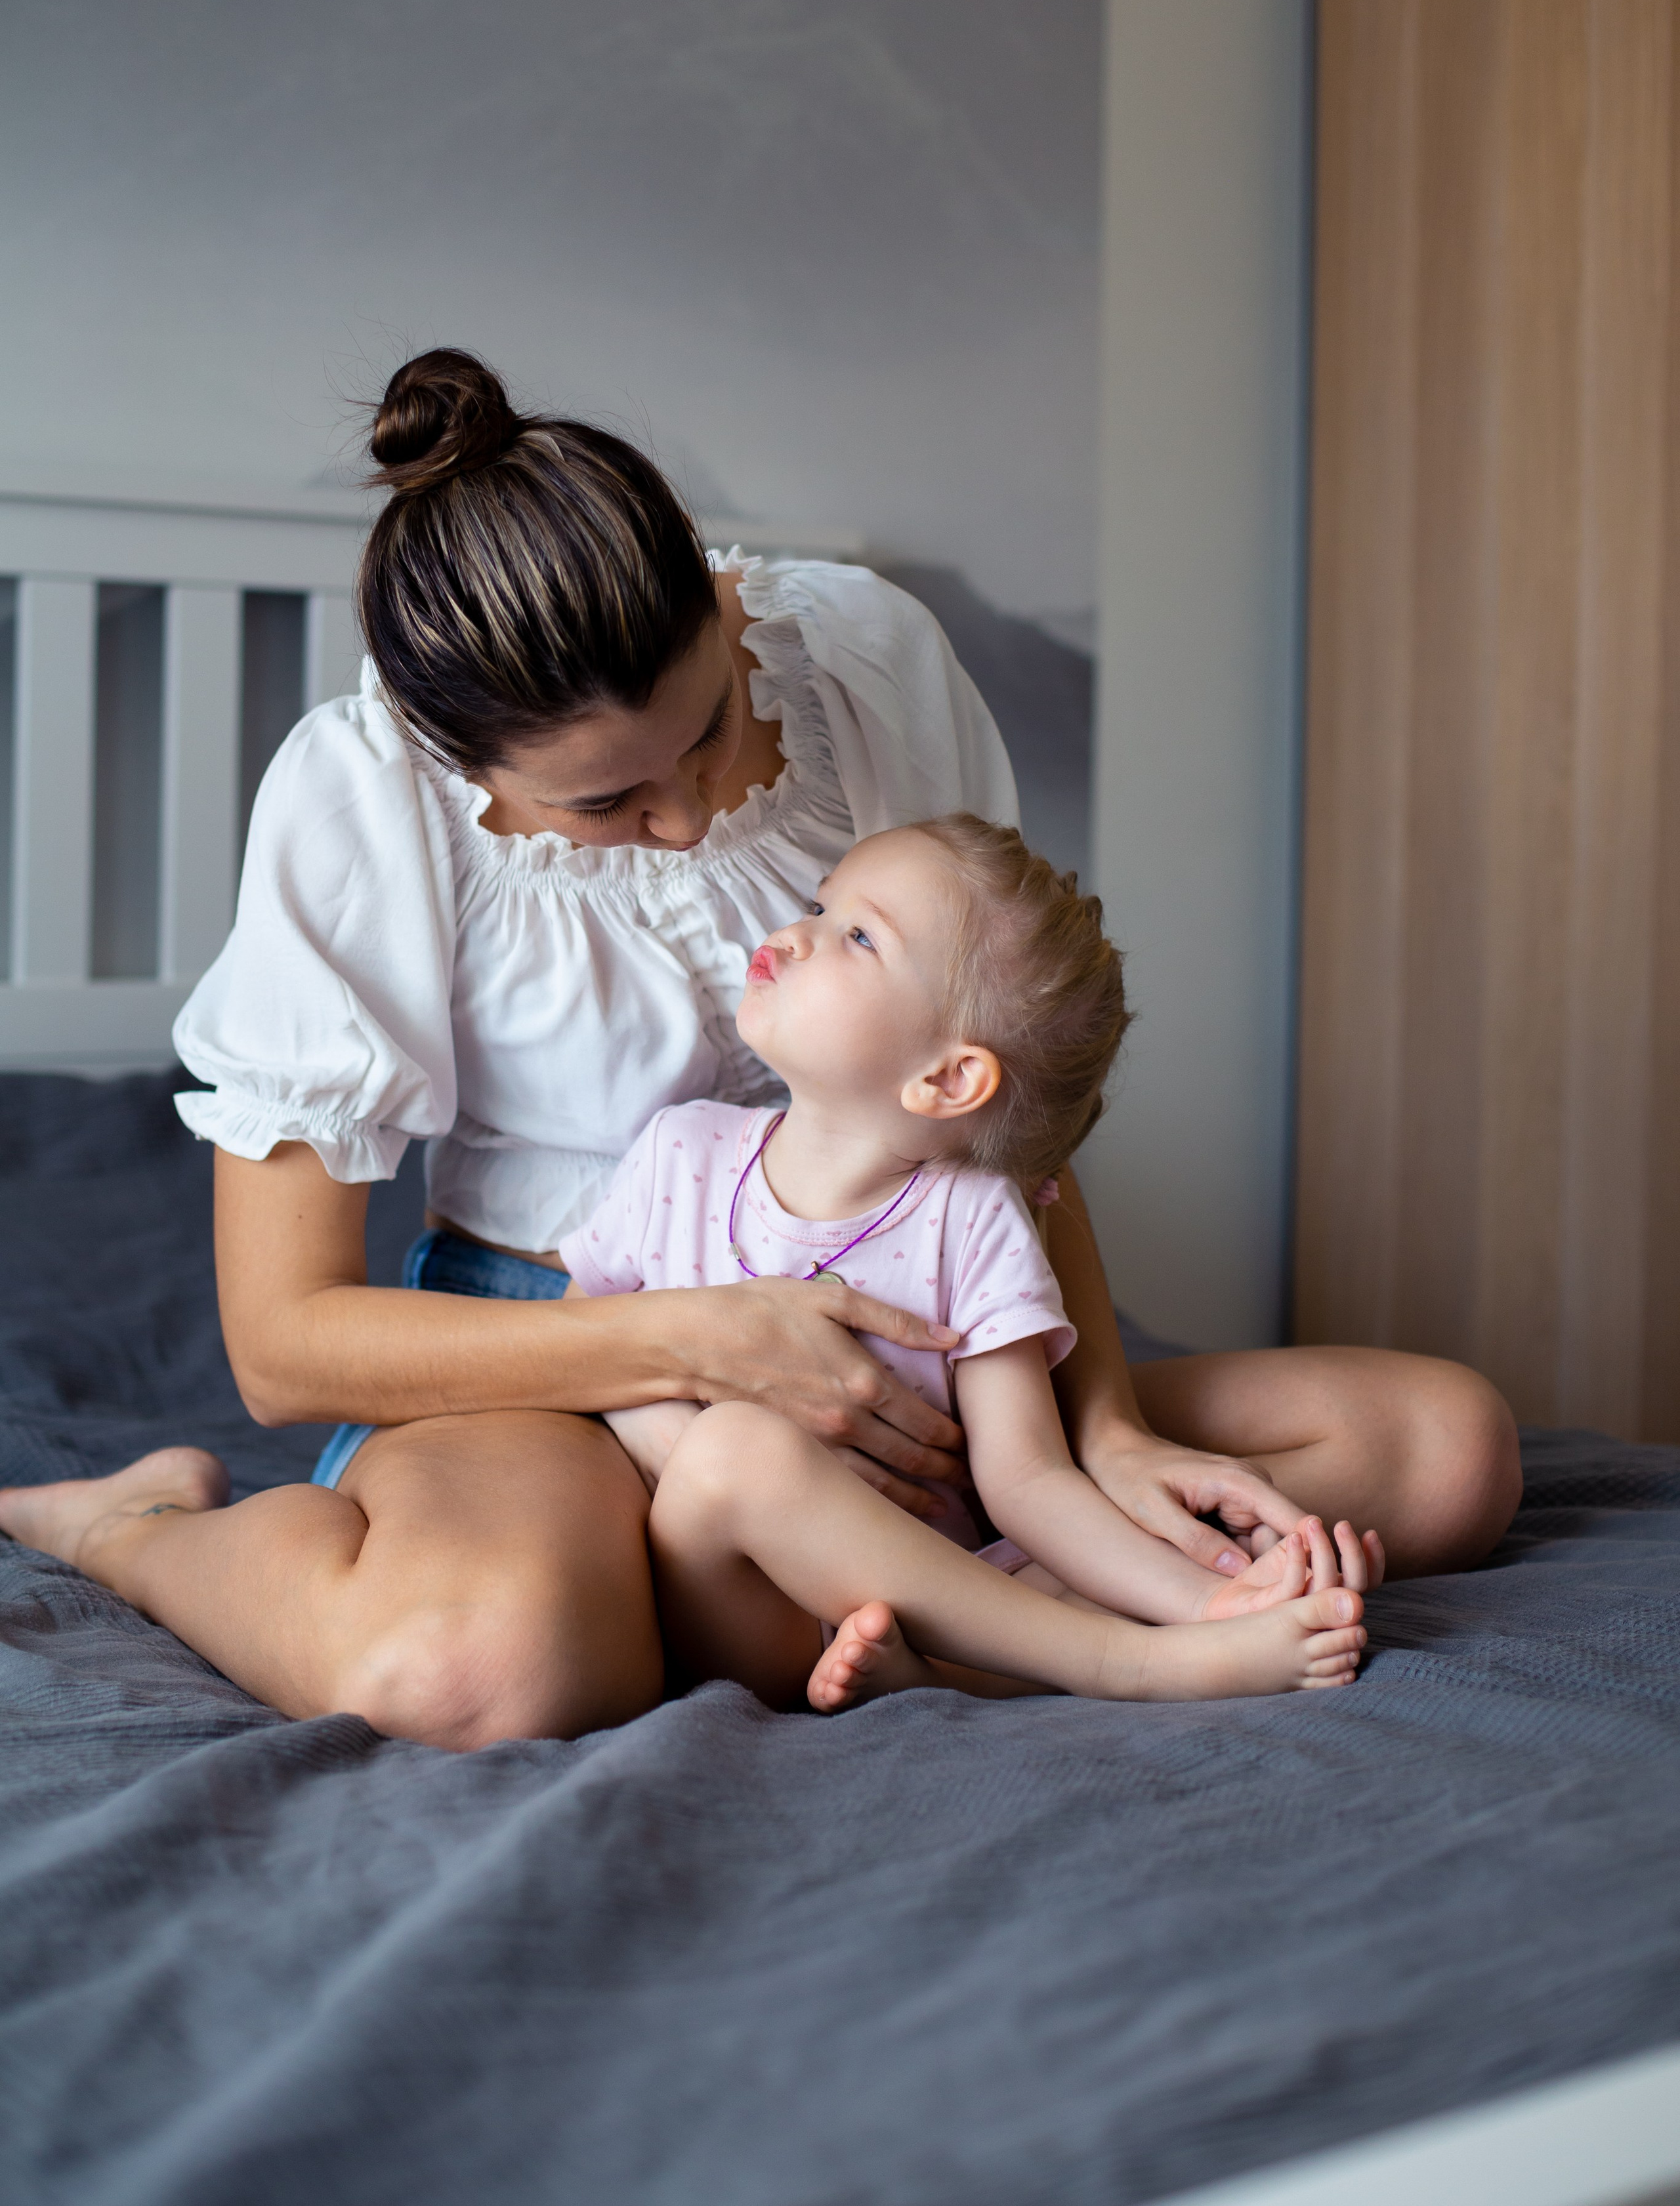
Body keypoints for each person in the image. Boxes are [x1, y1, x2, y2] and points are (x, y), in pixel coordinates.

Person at [0, 350, 1519, 1751]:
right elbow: (282, 1344)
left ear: (722, 604)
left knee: (1442, 1451)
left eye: (708, 731)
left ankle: (827, 1600)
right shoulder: (362, 805)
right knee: (480, 1665)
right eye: (604, 807)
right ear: (449, 749)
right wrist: (699, 1342)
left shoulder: (866, 659)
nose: (680, 816)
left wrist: (1104, 1423)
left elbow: (990, 1092)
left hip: (917, 1316)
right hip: (565, 1356)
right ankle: (139, 1528)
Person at [571, 815, 1374, 1713]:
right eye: (820, 907)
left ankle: (962, 1664)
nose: (793, 936)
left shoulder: (977, 1214)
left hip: (931, 1597)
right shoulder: (682, 1152)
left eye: (858, 937)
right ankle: (1129, 1663)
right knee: (735, 1451)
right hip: (743, 1604)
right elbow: (584, 1346)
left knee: (1066, 1553)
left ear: (949, 1081)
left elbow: (1028, 1480)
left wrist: (1215, 1599)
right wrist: (682, 1449)